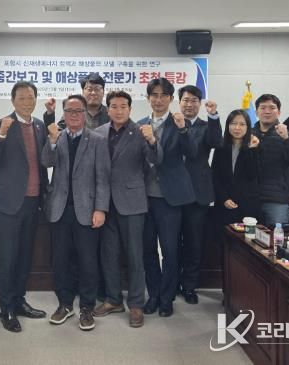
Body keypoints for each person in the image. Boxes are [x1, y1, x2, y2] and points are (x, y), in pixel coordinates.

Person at [93, 90, 162, 328]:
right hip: (105, 204)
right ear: (108, 109)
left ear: (130, 109)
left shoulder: (141, 132)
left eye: (123, 106)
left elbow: (155, 160)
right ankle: (113, 299)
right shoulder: (99, 132)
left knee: (134, 256)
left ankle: (135, 304)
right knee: (109, 254)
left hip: (132, 202)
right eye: (114, 106)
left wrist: (153, 141)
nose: (119, 110)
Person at [41, 95, 110, 331]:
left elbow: (103, 178)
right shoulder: (57, 137)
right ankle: (65, 304)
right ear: (63, 113)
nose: (73, 115)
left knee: (88, 261)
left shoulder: (98, 140)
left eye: (78, 111)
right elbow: (46, 162)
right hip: (59, 210)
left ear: (85, 113)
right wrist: (51, 141)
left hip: (87, 210)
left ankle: (87, 307)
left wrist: (100, 208)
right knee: (61, 261)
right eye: (69, 111)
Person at [0, 81, 49, 333]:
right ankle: (7, 308)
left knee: (25, 256)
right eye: (21, 98)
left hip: (33, 201)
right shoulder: (2, 124)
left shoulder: (39, 125)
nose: (26, 102)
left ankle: (20, 300)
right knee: (8, 257)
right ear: (12, 101)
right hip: (8, 204)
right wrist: (1, 134)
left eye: (30, 97)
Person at [137, 78, 195, 317]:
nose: (158, 100)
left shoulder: (180, 123)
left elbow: (192, 152)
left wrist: (183, 130)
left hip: (169, 197)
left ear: (171, 99)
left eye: (163, 95)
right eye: (154, 95)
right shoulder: (140, 125)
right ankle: (154, 295)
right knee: (148, 250)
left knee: (170, 251)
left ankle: (167, 297)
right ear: (148, 98)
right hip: (143, 198)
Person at [177, 84, 223, 305]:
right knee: (171, 243)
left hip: (198, 194)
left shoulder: (206, 126)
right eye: (185, 100)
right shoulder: (172, 124)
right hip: (172, 194)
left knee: (194, 243)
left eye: (194, 101)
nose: (189, 104)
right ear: (179, 102)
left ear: (199, 103)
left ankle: (189, 285)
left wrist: (213, 116)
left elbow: (216, 142)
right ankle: (172, 282)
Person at [252, 94, 289, 226]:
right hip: (250, 197)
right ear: (256, 112)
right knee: (247, 236)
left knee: (277, 235)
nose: (267, 111)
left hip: (277, 199)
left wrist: (286, 138)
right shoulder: (249, 134)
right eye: (263, 108)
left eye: (272, 108)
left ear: (279, 112)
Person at [212, 109, 261, 227]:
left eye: (242, 124)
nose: (237, 128)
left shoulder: (256, 146)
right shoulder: (221, 146)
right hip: (224, 203)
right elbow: (214, 176)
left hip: (247, 205)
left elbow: (252, 174)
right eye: (233, 123)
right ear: (228, 125)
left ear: (248, 127)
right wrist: (224, 198)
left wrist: (250, 150)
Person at [44, 72, 109, 130]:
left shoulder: (110, 113)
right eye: (89, 89)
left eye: (97, 89)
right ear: (83, 92)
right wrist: (50, 113)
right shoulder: (72, 112)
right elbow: (56, 134)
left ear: (103, 92)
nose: (93, 93)